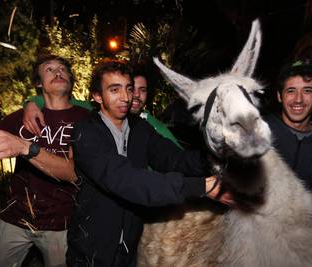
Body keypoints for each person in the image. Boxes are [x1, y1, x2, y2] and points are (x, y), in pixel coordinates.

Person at [66, 59, 230, 266]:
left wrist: (217, 157)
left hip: (128, 249)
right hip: (90, 250)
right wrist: (201, 186)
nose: (126, 97)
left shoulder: (141, 129)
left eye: (129, 89)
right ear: (97, 96)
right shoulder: (85, 131)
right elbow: (126, 180)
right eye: (114, 90)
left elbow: (175, 159)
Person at [0, 55, 90, 267]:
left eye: (63, 69)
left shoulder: (85, 119)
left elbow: (74, 173)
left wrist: (23, 147)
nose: (58, 72)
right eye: (49, 69)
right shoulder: (19, 118)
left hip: (63, 222)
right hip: (15, 219)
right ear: (38, 83)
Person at [22, 64, 182, 147]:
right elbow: (60, 100)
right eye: (132, 88)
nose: (135, 96)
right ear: (99, 97)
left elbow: (180, 160)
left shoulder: (153, 127)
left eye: (142, 90)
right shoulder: (94, 112)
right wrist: (31, 103)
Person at [264, 59, 312, 222]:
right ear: (279, 96)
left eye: (307, 91)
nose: (298, 99)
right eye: (291, 90)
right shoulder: (259, 131)